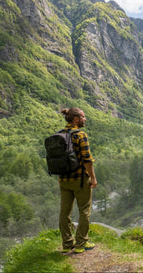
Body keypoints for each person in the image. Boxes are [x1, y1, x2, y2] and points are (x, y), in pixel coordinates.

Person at [58, 107, 97, 254]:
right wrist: (93, 178)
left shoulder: (59, 134)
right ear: (76, 119)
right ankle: (81, 243)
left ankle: (67, 244)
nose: (85, 119)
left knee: (64, 213)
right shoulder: (80, 135)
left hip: (63, 180)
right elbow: (87, 160)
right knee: (84, 211)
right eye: (83, 116)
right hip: (80, 179)